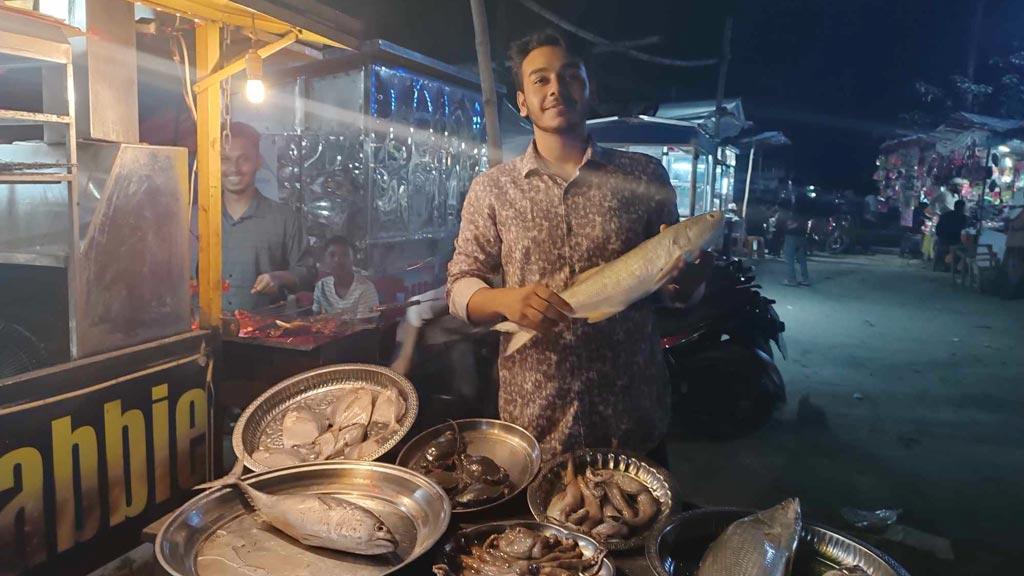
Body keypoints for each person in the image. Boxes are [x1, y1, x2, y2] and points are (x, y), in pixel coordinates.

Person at [446, 30, 692, 463]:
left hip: (632, 413)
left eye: (569, 76)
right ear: (522, 101)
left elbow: (671, 288)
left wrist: (686, 284)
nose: (556, 88)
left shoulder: (643, 176)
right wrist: (505, 300)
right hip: (537, 419)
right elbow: (459, 286)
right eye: (540, 80)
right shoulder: (492, 190)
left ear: (588, 88)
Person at [206, 122, 313, 312]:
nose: (234, 168)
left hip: (264, 337)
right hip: (205, 338)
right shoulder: (196, 219)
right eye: (225, 159)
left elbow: (307, 274)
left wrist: (279, 278)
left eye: (243, 159)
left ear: (259, 162)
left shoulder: (285, 219)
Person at [312, 236, 379, 317]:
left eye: (345, 255)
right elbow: (316, 320)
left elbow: (365, 326)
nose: (337, 260)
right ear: (325, 259)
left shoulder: (366, 289)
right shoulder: (321, 286)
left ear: (354, 259)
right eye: (332, 255)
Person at [781, 196, 811, 286]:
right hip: (802, 237)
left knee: (789, 258)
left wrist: (787, 226)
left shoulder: (794, 213)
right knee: (802, 258)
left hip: (791, 236)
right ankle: (805, 279)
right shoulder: (806, 214)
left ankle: (791, 279)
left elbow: (790, 225)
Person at [934, 199, 968, 272]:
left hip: (942, 240)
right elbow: (965, 231)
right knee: (967, 248)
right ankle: (957, 266)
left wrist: (940, 237)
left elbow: (937, 229)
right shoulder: (964, 218)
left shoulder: (945, 215)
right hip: (955, 242)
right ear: (963, 208)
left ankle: (949, 264)